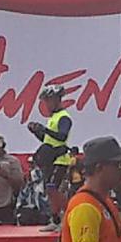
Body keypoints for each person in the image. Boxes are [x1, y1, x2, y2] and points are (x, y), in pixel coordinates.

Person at [29, 85, 73, 233]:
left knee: (53, 188)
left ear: (56, 100)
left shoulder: (64, 117)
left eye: (48, 101)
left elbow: (62, 136)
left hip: (60, 158)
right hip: (50, 157)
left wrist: (45, 129)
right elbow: (47, 139)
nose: (46, 105)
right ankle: (55, 219)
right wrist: (37, 131)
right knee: (49, 190)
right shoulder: (52, 118)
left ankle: (70, 215)